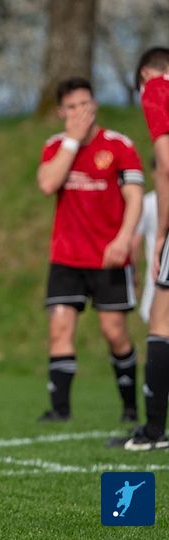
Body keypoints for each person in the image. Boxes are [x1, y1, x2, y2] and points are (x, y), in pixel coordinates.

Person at [36, 77, 143, 424]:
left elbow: (135, 198)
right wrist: (72, 141)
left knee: (115, 332)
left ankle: (130, 408)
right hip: (67, 257)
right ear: (60, 112)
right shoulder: (55, 146)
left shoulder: (119, 146)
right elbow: (48, 183)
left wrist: (123, 239)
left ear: (95, 104)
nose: (80, 111)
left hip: (109, 256)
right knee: (59, 328)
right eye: (71, 107)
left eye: (84, 104)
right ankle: (60, 411)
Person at [110, 46, 169, 450]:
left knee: (161, 322)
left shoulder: (157, 88)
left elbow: (165, 164)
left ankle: (153, 431)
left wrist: (162, 229)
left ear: (146, 74)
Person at [133, 190, 157, 323]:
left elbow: (135, 242)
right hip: (156, 276)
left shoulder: (148, 202)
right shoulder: (148, 202)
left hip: (157, 277)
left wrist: (133, 273)